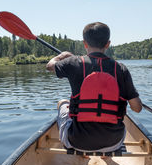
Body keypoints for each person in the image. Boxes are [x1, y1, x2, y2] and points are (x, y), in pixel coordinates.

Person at [46, 22, 142, 152]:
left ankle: (80, 154)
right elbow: (137, 108)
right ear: (108, 44)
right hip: (113, 142)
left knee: (62, 103)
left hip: (77, 141)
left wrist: (62, 56)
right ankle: (105, 155)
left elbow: (50, 66)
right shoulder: (120, 69)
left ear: (85, 43)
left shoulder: (73, 63)